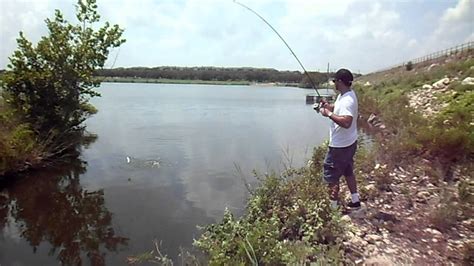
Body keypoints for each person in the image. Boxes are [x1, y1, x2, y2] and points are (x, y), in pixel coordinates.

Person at [316, 68, 360, 210]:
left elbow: (346, 122)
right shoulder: (345, 95)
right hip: (349, 143)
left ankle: (332, 210)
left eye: (335, 81)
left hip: (340, 147)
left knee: (331, 176)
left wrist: (328, 114)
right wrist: (329, 107)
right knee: (347, 171)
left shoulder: (348, 100)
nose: (334, 83)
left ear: (340, 82)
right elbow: (339, 107)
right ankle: (355, 200)